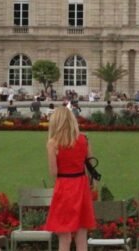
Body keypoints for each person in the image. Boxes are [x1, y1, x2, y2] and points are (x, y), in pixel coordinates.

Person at [42, 106, 96, 251]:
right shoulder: (84, 139)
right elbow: (90, 166)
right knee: (81, 236)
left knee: (64, 236)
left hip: (64, 186)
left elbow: (54, 171)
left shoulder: (53, 143)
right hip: (81, 185)